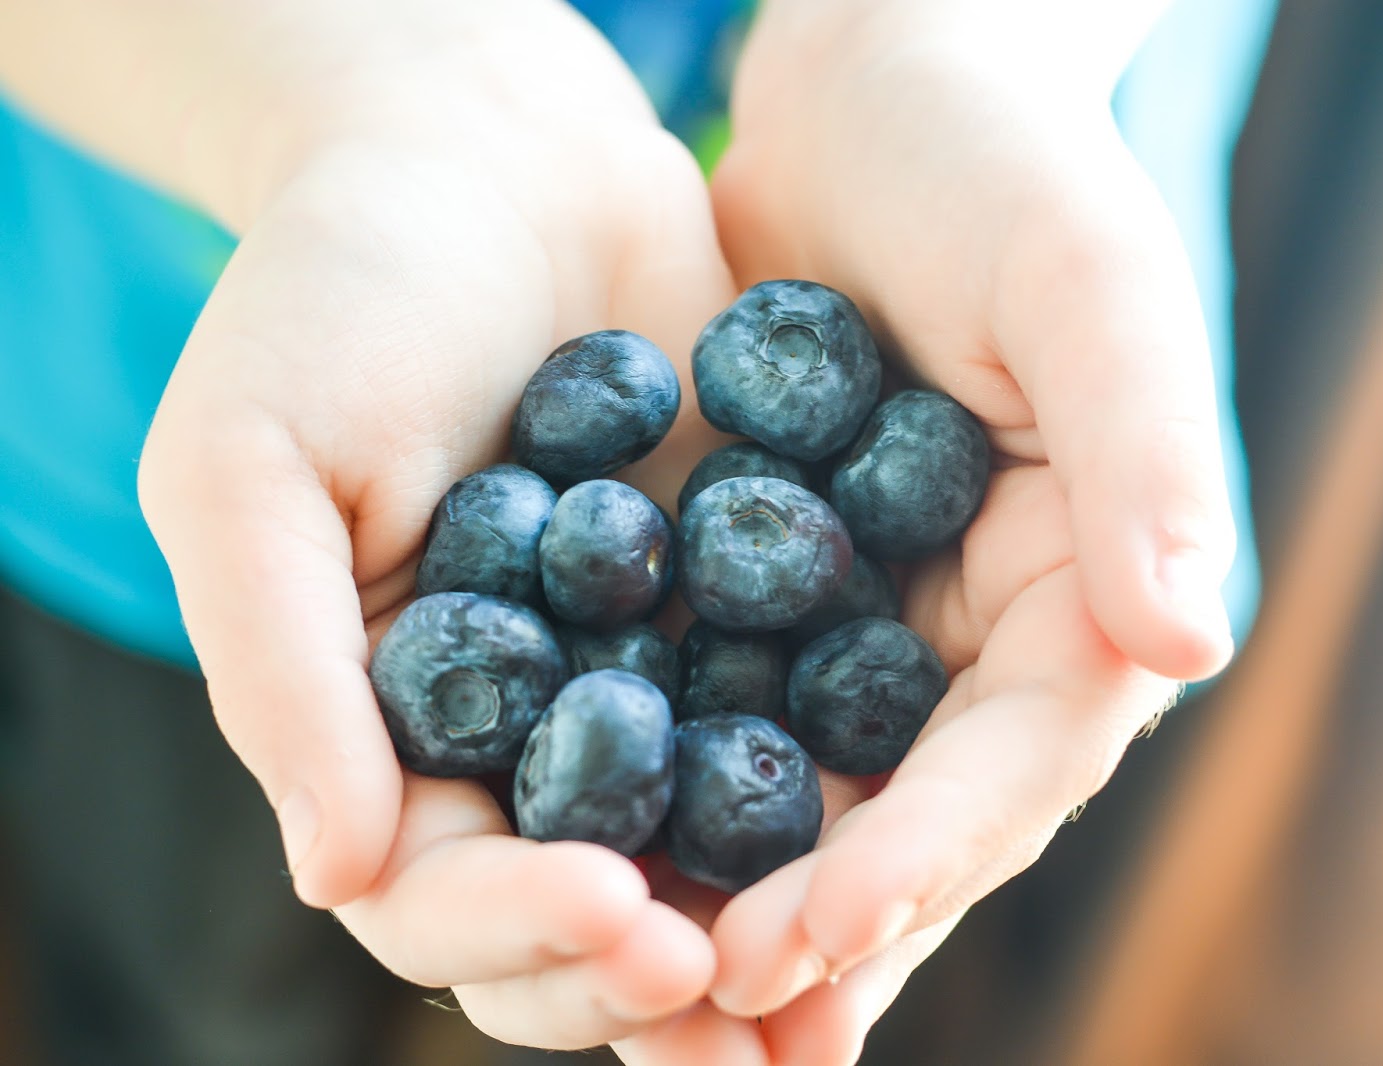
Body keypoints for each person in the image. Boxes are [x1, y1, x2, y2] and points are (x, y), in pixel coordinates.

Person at [0, 0, 1270, 1061]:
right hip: (166, 404)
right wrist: (374, 88)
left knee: (825, 927)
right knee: (191, 986)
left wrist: (939, 38)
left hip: (1005, 317)